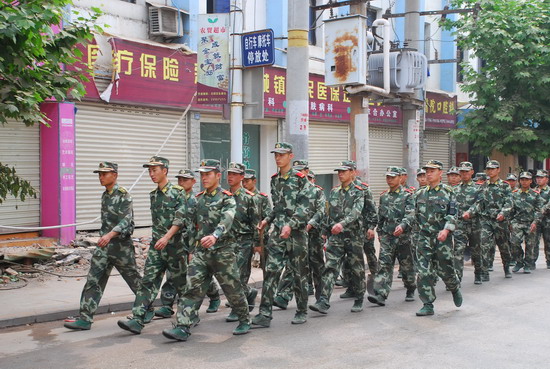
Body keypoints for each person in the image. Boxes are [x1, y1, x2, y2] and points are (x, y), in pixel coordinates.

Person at [162, 159, 251, 341]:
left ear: (218, 176)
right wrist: (190, 248)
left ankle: (244, 318)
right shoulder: (198, 199)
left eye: (208, 174)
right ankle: (182, 326)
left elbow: (227, 219)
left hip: (223, 252)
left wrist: (215, 235)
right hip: (202, 253)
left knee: (232, 289)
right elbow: (189, 224)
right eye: (202, 175)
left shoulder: (227, 198)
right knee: (191, 288)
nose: (204, 178)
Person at [65, 162, 142, 331]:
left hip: (121, 247)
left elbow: (126, 221)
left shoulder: (124, 195)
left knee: (134, 281)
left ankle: (146, 309)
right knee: (93, 280)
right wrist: (104, 237)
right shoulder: (105, 196)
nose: (101, 177)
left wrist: (110, 235)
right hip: (104, 247)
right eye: (99, 174)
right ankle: (85, 318)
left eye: (104, 174)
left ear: (114, 175)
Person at [118, 156, 187, 335]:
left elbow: (180, 220)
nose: (151, 174)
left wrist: (167, 237)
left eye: (154, 170)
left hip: (175, 247)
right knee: (148, 282)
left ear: (165, 171)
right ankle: (138, 318)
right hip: (158, 247)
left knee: (182, 285)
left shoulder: (178, 193)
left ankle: (188, 317)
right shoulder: (154, 195)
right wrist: (156, 240)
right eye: (149, 170)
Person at [253, 142, 312, 327]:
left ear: (290, 156)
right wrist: (267, 220)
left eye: (282, 154)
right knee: (271, 271)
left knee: (298, 274)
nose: (278, 158)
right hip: (278, 234)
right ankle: (264, 314)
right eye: (276, 155)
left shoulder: (301, 179)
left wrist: (291, 224)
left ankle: (302, 310)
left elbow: (305, 207)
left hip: (297, 236)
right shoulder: (275, 179)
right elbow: (278, 207)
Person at [154, 169, 221, 319]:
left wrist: (194, 247)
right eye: (179, 180)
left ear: (193, 182)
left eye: (185, 180)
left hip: (192, 243)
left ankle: (214, 296)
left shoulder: (195, 200)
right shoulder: (175, 197)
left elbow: (197, 225)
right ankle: (167, 304)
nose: (181, 182)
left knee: (198, 275)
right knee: (173, 274)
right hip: (176, 242)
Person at [309, 161, 366, 314]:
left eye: (344, 172)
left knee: (357, 269)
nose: (340, 174)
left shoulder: (359, 192)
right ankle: (323, 301)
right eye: (339, 172)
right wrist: (324, 231)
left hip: (353, 236)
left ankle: (359, 298)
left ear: (352, 173)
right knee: (330, 268)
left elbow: (356, 212)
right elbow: (329, 214)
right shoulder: (334, 192)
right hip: (336, 238)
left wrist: (342, 224)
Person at [413, 160, 462, 316]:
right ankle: (427, 304)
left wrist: (446, 229)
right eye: (427, 171)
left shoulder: (449, 192)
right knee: (423, 272)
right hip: (424, 238)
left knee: (446, 270)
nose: (428, 173)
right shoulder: (420, 193)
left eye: (432, 171)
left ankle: (454, 287)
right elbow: (412, 214)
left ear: (440, 173)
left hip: (442, 238)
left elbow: (453, 213)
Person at [274, 163, 327, 307]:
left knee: (317, 266)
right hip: (297, 233)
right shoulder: (293, 191)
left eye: (307, 176)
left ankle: (321, 298)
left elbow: (320, 211)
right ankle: (283, 296)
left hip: (313, 235)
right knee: (292, 266)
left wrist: (311, 224)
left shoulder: (317, 192)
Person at [367, 166, 416, 307]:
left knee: (406, 266)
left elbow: (410, 214)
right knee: (384, 265)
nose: (389, 180)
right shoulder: (384, 196)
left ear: (400, 178)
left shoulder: (408, 195)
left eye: (392, 177)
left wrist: (403, 226)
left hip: (403, 237)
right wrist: (379, 232)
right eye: (387, 177)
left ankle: (411, 288)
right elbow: (380, 217)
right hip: (388, 238)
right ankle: (381, 294)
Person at [463, 160, 513, 280]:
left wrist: (503, 213)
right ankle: (485, 272)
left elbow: (509, 202)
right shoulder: (483, 186)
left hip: (500, 221)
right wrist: (470, 212)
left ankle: (506, 267)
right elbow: (479, 203)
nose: (490, 171)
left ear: (498, 170)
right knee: (484, 245)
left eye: (493, 169)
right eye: (488, 169)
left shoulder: (505, 186)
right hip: (486, 220)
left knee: (503, 246)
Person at [225, 162, 260, 322]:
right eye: (229, 174)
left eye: (234, 174)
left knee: (237, 277)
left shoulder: (248, 198)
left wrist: (257, 244)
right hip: (227, 243)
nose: (230, 177)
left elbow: (256, 223)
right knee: (228, 276)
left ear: (241, 177)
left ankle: (237, 309)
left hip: (244, 242)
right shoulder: (224, 196)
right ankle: (249, 293)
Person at [498, 172, 543, 274]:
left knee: (530, 245)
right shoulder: (514, 194)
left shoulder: (535, 194)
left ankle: (527, 264)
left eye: (527, 179)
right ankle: (519, 261)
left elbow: (539, 210)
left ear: (531, 181)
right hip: (517, 222)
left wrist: (535, 222)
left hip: (530, 223)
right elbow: (510, 209)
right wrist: (510, 222)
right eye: (522, 179)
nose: (524, 181)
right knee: (514, 243)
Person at [454, 161, 482, 284]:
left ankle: (478, 274)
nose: (464, 174)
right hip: (460, 225)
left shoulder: (478, 188)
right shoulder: (455, 189)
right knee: (458, 251)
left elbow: (480, 203)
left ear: (472, 172)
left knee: (476, 251)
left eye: (466, 171)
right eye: (462, 171)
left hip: (475, 224)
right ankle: (457, 278)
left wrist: (470, 212)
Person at [242, 169, 272, 272]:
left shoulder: (262, 198)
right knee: (243, 271)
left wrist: (259, 241)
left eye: (247, 181)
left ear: (254, 181)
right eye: (243, 181)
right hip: (244, 240)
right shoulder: (241, 198)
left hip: (261, 239)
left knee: (266, 270)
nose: (244, 184)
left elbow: (268, 219)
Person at [534, 169, 550, 269]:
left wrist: (541, 211)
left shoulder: (549, 191)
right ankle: (531, 261)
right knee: (533, 241)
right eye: (537, 178)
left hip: (547, 220)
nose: (539, 180)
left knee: (548, 241)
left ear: (547, 179)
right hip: (535, 220)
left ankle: (549, 260)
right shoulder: (533, 191)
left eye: (541, 178)